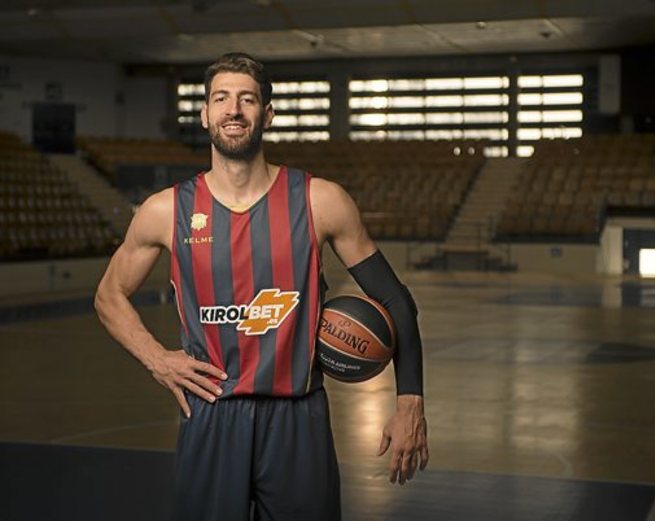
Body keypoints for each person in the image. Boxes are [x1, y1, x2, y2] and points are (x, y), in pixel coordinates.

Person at [94, 52, 428, 521]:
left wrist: (410, 402)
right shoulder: (165, 210)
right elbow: (108, 295)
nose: (233, 110)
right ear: (205, 114)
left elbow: (394, 300)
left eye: (247, 99)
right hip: (211, 414)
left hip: (298, 419)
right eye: (221, 99)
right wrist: (157, 359)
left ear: (267, 114)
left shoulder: (320, 201)